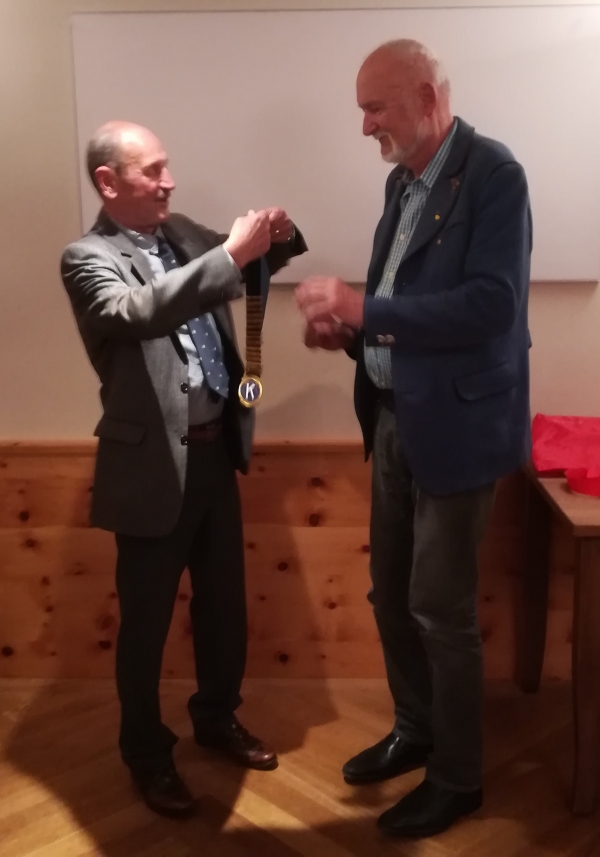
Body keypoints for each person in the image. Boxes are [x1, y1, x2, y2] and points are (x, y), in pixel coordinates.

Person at [296, 40, 531, 838]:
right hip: (393, 417)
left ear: (428, 98)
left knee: (439, 607)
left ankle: (458, 778)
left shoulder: (494, 174)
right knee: (390, 594)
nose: (365, 125)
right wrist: (349, 335)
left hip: (459, 428)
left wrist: (364, 310)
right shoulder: (402, 183)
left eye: (376, 108)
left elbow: (492, 305)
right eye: (363, 109)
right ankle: (416, 729)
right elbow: (403, 308)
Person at [61, 121, 307, 818]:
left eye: (167, 166)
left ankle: (217, 718)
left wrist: (277, 235)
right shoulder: (86, 257)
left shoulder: (183, 234)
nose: (169, 181)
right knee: (144, 624)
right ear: (108, 182)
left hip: (214, 452)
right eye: (152, 170)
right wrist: (230, 252)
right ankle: (146, 755)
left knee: (224, 606)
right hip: (150, 467)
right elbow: (137, 310)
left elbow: (246, 266)